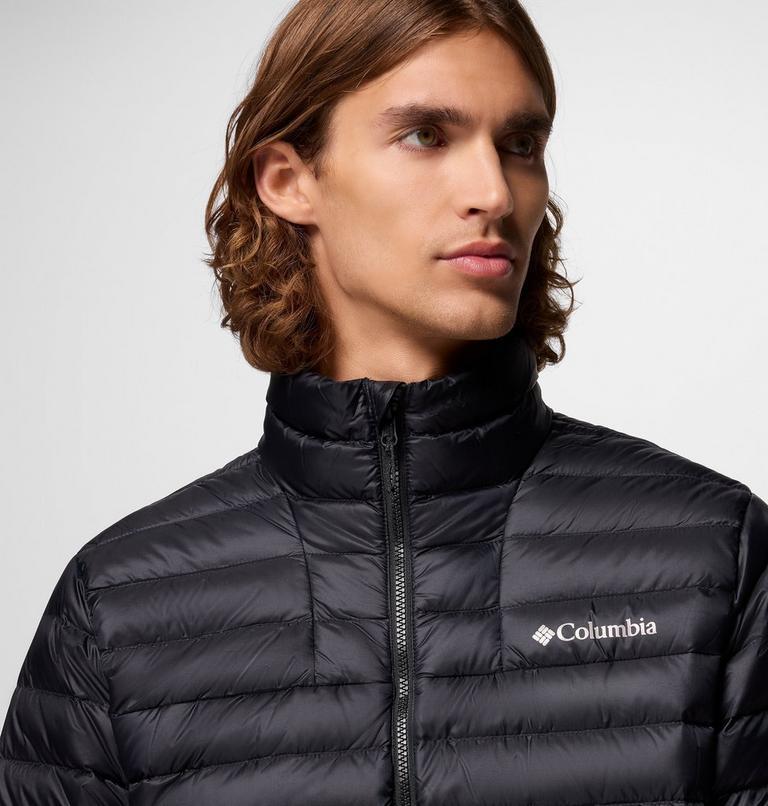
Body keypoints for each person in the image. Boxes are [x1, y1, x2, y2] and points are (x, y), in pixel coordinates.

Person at [1, 1, 766, 804]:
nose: (494, 193)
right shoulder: (119, 606)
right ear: (289, 180)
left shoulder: (712, 556)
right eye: (426, 135)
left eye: (520, 145)